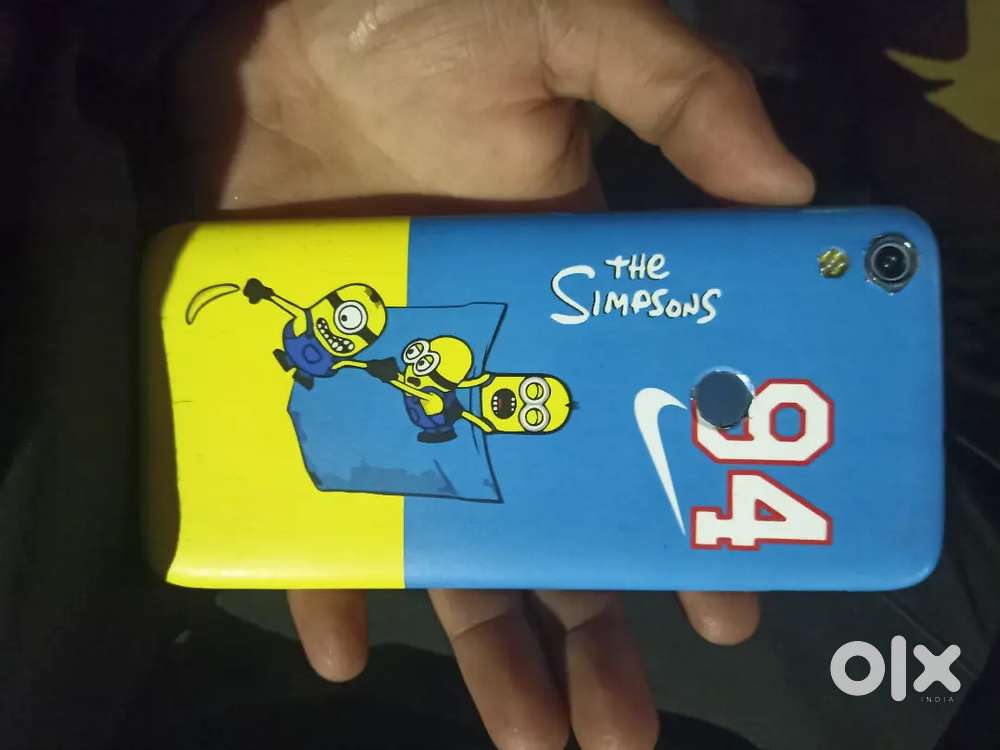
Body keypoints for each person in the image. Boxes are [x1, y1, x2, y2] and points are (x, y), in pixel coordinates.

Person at [173, 2, 814, 748]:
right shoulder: (467, 357)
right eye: (535, 396)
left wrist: (202, 35)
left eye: (530, 410)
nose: (522, 401)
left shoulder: (473, 453)